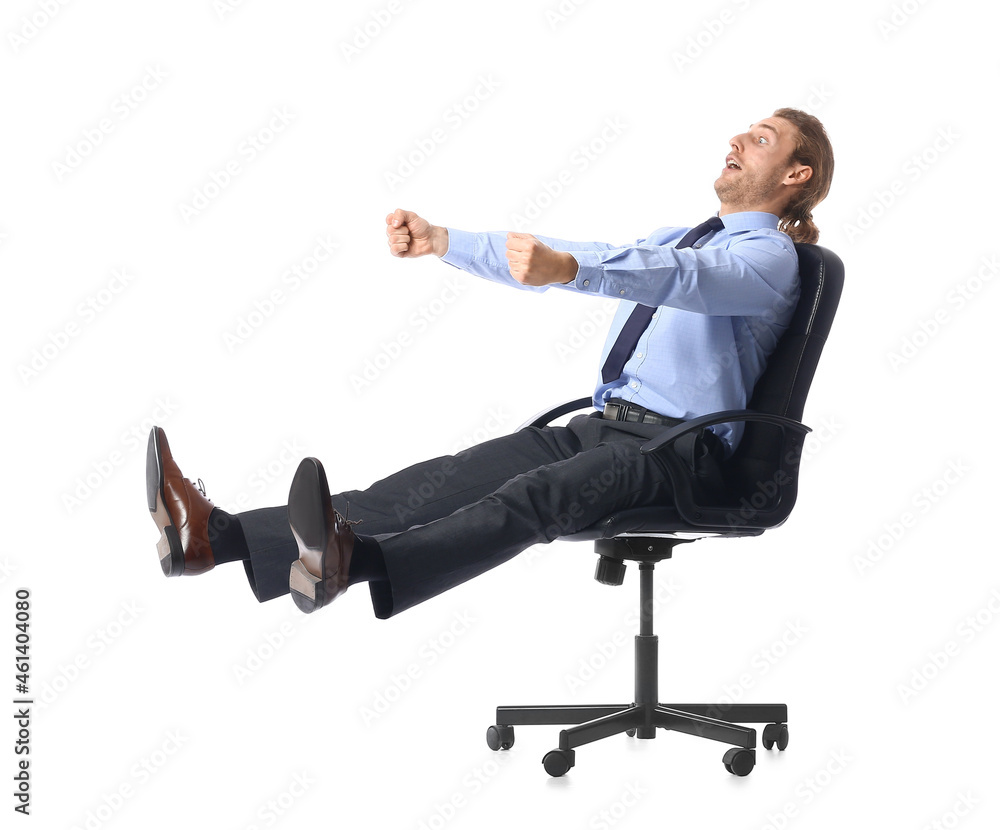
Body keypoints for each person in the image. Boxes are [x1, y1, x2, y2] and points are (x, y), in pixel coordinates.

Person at [146, 107, 834, 619]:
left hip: (683, 454)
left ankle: (358, 565)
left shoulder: (767, 258)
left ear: (796, 175)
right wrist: (444, 241)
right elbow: (582, 253)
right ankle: (215, 537)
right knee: (439, 482)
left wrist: (572, 268)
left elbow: (674, 278)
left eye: (762, 139)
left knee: (535, 497)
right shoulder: (679, 237)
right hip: (604, 425)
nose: (737, 141)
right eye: (743, 132)